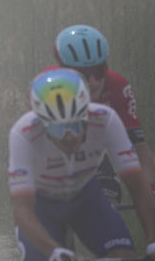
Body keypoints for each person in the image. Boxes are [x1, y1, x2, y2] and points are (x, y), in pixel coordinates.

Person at [9, 68, 155, 261]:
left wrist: (153, 240)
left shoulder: (106, 119)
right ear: (42, 121)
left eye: (76, 124)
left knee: (123, 255)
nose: (68, 136)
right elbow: (22, 209)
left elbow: (138, 188)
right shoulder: (23, 133)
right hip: (41, 206)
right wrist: (54, 251)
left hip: (86, 197)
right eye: (58, 128)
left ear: (87, 114)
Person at [44, 25, 155, 200]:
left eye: (99, 71)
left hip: (94, 142)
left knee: (109, 193)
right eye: (83, 74)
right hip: (55, 148)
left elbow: (139, 149)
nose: (93, 82)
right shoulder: (49, 88)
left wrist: (150, 190)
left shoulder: (117, 86)